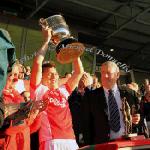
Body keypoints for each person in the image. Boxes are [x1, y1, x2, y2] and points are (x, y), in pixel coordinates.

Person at [30, 26, 84, 150]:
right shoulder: (39, 90)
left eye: (55, 73)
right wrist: (46, 40)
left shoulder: (63, 91)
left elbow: (78, 72)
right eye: (49, 74)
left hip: (70, 140)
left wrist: (72, 48)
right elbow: (38, 62)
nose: (54, 76)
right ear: (42, 77)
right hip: (51, 141)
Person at [81, 61, 142, 145]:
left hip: (127, 144)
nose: (105, 76)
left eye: (108, 73)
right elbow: (86, 125)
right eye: (102, 73)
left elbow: (139, 115)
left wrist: (137, 119)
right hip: (103, 145)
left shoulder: (130, 94)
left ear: (117, 75)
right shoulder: (91, 97)